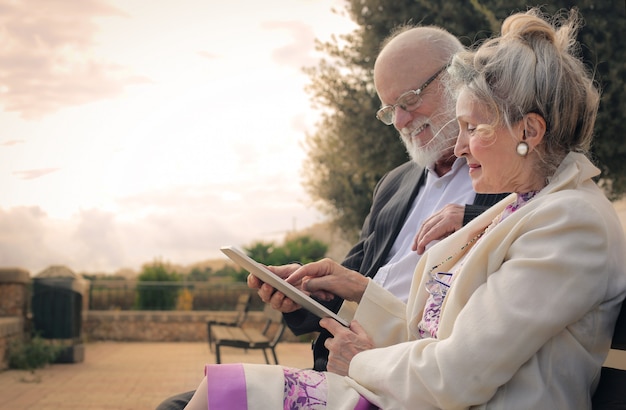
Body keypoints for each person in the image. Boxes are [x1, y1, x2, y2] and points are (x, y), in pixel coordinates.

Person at [182, 7, 626, 409]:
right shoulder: (524, 205)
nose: (459, 145)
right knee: (218, 393)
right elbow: (439, 335)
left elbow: (458, 374)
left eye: (473, 128)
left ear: (528, 130)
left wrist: (362, 361)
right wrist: (360, 298)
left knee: (224, 395)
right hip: (420, 393)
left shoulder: (571, 222)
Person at [156, 24, 507, 410]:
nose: (403, 121)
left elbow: (532, 222)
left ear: (459, 79)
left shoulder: (504, 173)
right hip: (338, 370)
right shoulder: (395, 185)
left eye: (409, 100)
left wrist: (472, 216)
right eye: (391, 110)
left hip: (404, 376)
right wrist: (304, 292)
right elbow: (351, 280)